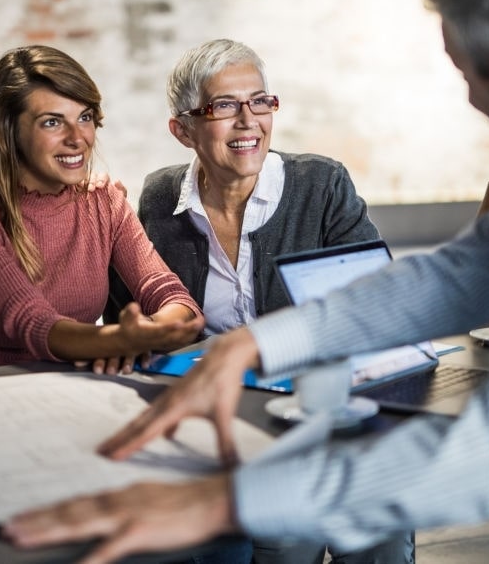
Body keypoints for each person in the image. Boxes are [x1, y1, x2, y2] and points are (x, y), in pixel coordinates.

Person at [0, 0, 489, 564]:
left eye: (464, 75)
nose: (468, 101)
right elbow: (451, 278)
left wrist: (221, 502)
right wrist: (251, 345)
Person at [107, 38, 412, 564]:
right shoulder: (160, 199)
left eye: (261, 101)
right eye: (224, 106)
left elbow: (373, 302)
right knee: (283, 544)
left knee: (377, 530)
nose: (248, 121)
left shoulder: (321, 185)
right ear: (183, 129)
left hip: (318, 403)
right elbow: (127, 315)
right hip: (222, 418)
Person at [0, 45, 204, 376]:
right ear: (7, 131)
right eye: (52, 122)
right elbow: (35, 324)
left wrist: (138, 335)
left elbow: (173, 297)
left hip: (75, 386)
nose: (77, 138)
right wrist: (116, 340)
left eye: (84, 117)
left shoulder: (104, 201)